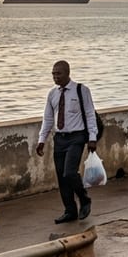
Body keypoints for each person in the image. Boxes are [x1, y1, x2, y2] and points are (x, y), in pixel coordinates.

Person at [37, 60, 97, 224]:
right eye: (53, 74)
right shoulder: (52, 94)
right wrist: (42, 139)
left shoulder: (81, 90)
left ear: (67, 73)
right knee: (62, 178)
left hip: (76, 137)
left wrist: (92, 138)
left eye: (59, 73)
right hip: (60, 138)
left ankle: (84, 199)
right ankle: (70, 210)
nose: (55, 77)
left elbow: (90, 114)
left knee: (70, 172)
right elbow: (48, 118)